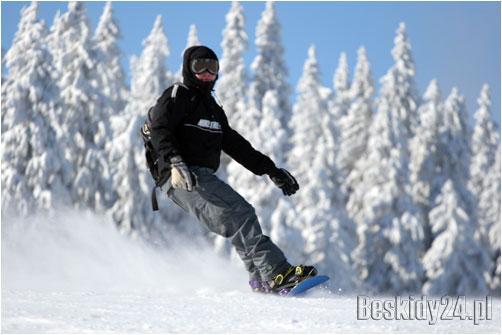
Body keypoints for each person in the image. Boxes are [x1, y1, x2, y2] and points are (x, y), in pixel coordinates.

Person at [149, 45, 317, 294]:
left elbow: (235, 145)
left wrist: (271, 170)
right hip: (181, 175)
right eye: (200, 67)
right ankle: (276, 274)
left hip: (198, 175)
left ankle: (261, 281)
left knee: (236, 222)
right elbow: (159, 130)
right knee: (241, 213)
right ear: (188, 69)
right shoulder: (177, 96)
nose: (207, 73)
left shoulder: (213, 109)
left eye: (212, 68)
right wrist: (174, 161)